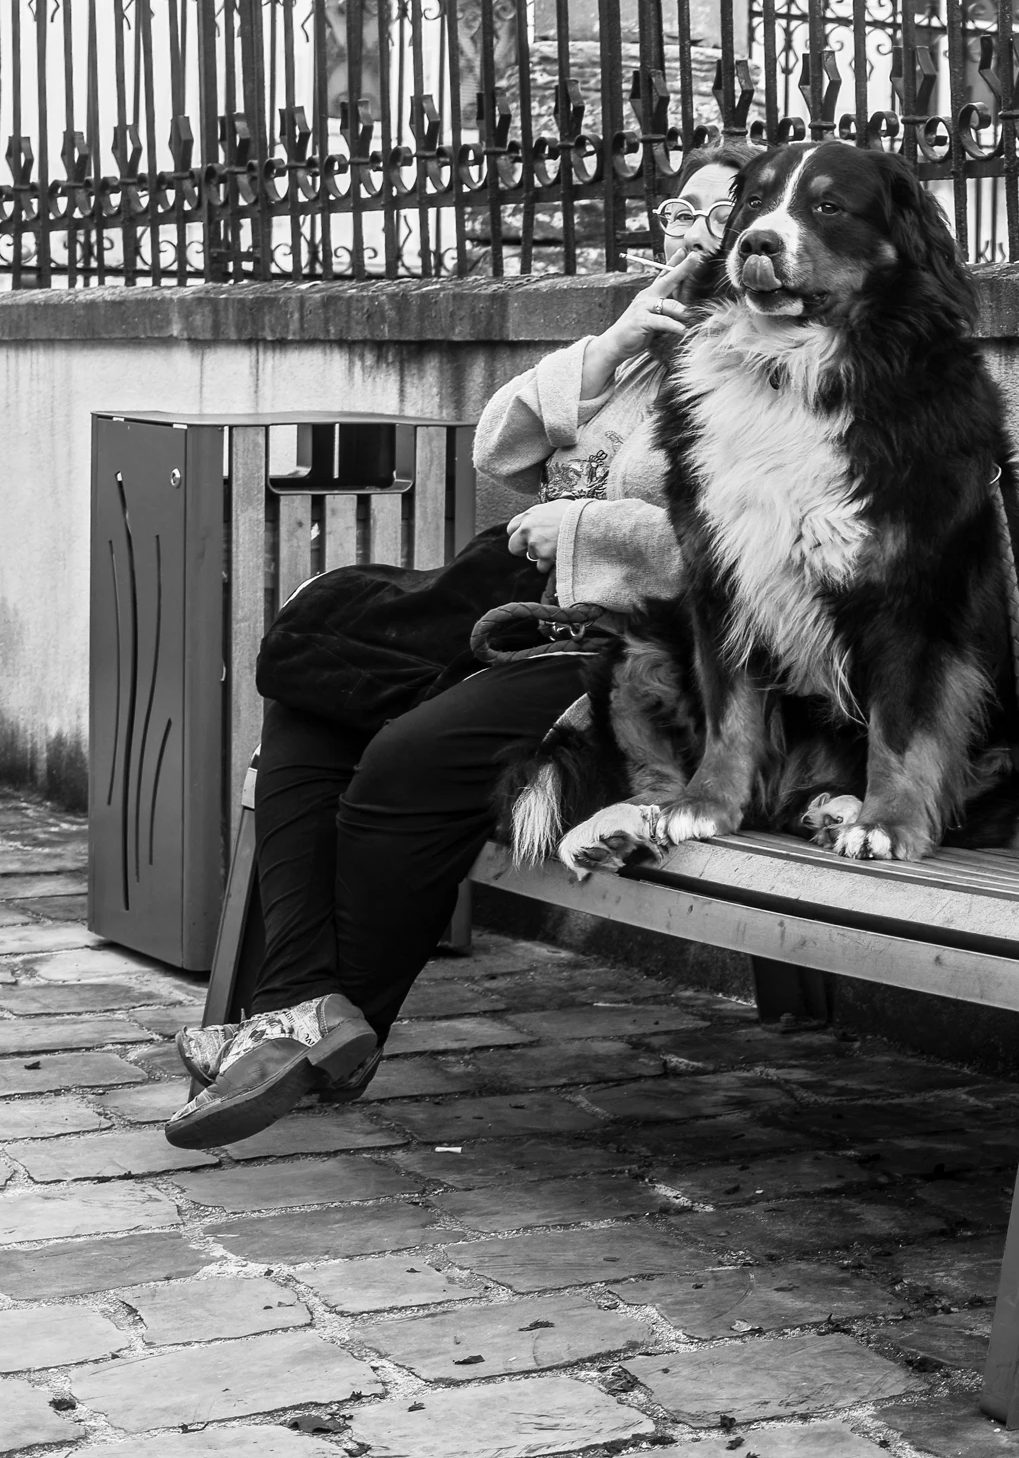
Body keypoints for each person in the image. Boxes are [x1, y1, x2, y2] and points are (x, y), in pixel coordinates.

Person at [166, 147, 747, 1149]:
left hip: (637, 650)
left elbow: (744, 558)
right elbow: (502, 449)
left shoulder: (761, 370)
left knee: (402, 757)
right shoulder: (646, 345)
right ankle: (304, 1004)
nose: (685, 238)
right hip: (524, 607)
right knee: (315, 658)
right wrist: (608, 347)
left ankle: (305, 1019)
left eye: (713, 222)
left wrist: (584, 530)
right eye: (677, 214)